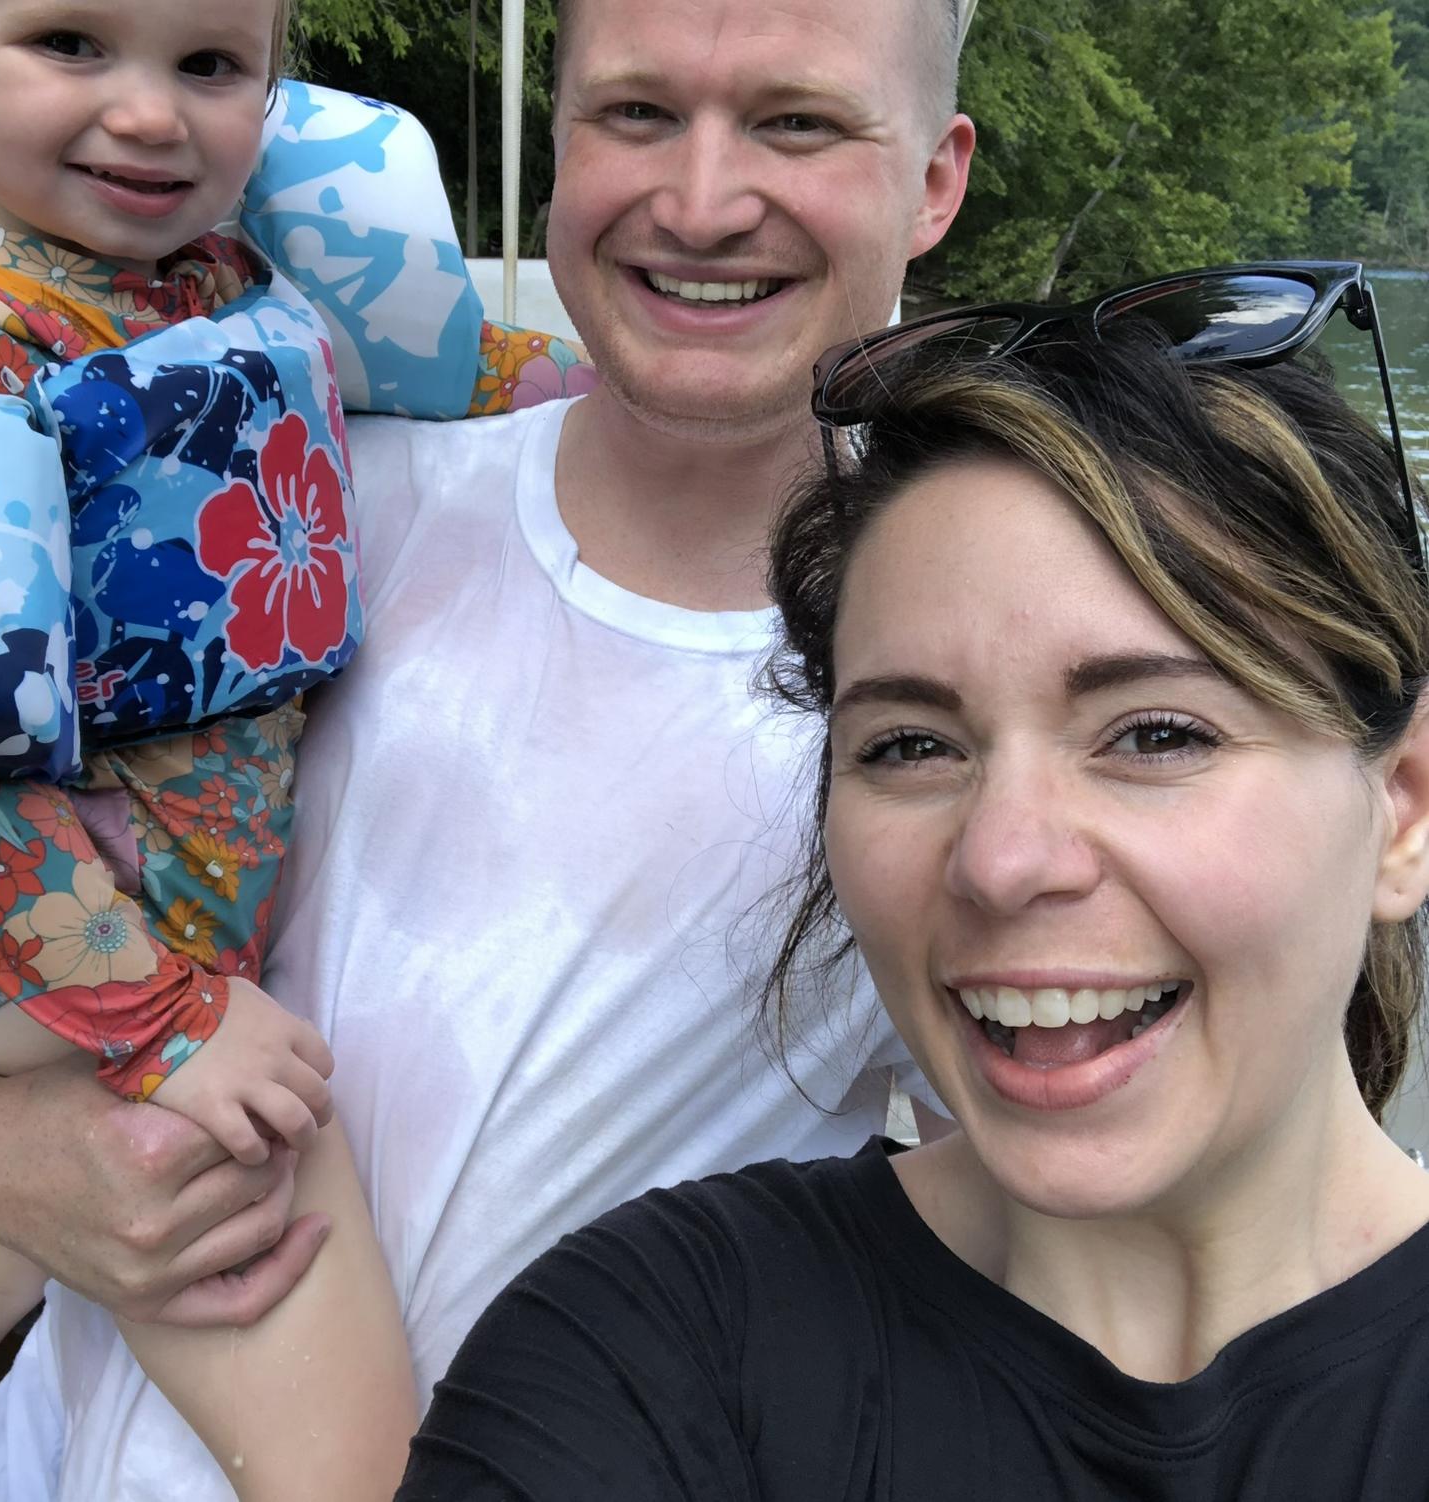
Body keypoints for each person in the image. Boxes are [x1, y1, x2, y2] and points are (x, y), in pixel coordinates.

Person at [0, 0, 976, 1495]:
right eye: (633, 114)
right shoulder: (323, 488)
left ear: (934, 181)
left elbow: (1062, 1235)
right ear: (555, 148)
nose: (698, 199)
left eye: (797, 121)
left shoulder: (961, 690)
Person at [395, 268, 1429, 1500]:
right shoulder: (651, 1348)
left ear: (1401, 805)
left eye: (1154, 734)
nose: (999, 859)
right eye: (909, 746)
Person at [0, 0, 583, 1493]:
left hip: (170, 911)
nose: (152, 113)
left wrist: (626, 389)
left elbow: (456, 373)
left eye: (210, 66)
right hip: (48, 926)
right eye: (70, 45)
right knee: (338, 1421)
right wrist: (158, 1015)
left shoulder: (217, 280)